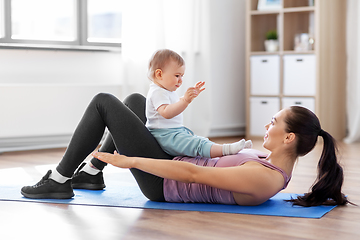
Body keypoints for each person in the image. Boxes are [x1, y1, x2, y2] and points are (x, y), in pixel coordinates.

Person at [21, 92, 350, 207]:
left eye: (274, 122)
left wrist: (131, 160)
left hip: (163, 185)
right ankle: (91, 174)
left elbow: (192, 173)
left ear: (289, 137)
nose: (268, 125)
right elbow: (202, 156)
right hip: (171, 161)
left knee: (103, 103)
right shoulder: (266, 159)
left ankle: (60, 179)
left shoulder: (265, 180)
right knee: (137, 102)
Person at [146, 49, 252, 158]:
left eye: (182, 76)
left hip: (172, 133)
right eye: (177, 76)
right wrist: (185, 100)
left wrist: (187, 97)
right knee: (196, 145)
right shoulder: (157, 92)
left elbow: (174, 104)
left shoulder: (165, 91)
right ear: (159, 74)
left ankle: (227, 148)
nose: (181, 80)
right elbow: (166, 112)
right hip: (164, 136)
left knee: (199, 140)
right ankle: (227, 150)